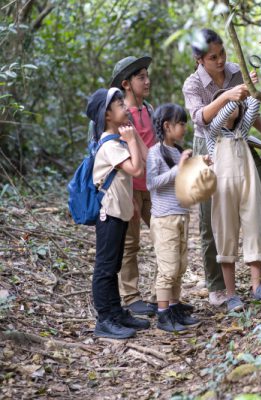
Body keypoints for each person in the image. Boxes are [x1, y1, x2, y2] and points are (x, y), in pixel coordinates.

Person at [183, 28, 261, 307]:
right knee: (211, 218)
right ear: (200, 60)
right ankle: (219, 287)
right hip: (208, 146)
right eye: (213, 57)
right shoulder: (192, 85)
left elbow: (248, 108)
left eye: (222, 54)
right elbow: (200, 118)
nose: (220, 61)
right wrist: (227, 96)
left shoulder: (234, 70)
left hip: (240, 139)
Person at [110, 56, 194, 316]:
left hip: (155, 188)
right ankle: (131, 297)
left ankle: (164, 297)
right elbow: (119, 155)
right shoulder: (120, 116)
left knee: (166, 238)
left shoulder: (149, 109)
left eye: (147, 75)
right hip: (132, 186)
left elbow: (157, 148)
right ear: (126, 84)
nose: (147, 81)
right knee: (130, 243)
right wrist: (128, 192)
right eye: (140, 77)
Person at [208, 89, 261, 311]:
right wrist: (232, 96)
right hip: (223, 189)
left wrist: (251, 86)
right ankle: (231, 295)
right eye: (228, 103)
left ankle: (257, 286)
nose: (233, 107)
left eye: (237, 104)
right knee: (225, 235)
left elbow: (253, 106)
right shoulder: (214, 132)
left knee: (255, 228)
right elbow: (223, 112)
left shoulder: (243, 130)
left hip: (248, 183)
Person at [88, 87, 150, 339]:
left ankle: (116, 312)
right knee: (105, 267)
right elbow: (136, 169)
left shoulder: (116, 141)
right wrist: (133, 139)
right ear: (107, 116)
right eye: (120, 106)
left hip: (119, 211)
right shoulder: (109, 144)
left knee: (113, 264)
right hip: (109, 215)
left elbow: (123, 179)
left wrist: (131, 204)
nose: (126, 108)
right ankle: (105, 319)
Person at [146, 103, 201, 332]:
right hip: (164, 219)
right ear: (167, 126)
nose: (184, 127)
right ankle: (162, 313)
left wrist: (198, 166)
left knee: (180, 266)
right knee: (167, 269)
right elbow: (152, 183)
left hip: (181, 215)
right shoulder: (154, 152)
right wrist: (178, 168)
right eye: (180, 123)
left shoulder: (178, 151)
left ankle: (176, 308)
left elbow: (183, 181)